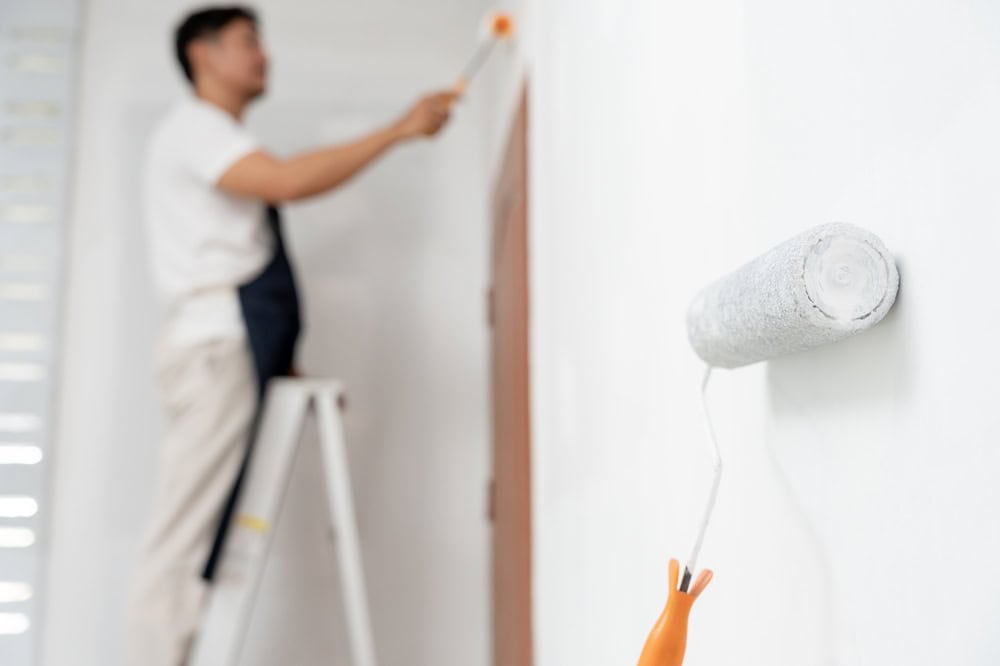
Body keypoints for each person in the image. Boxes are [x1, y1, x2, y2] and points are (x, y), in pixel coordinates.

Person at [126, 6, 457, 664]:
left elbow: (245, 249)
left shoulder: (211, 135)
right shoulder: (195, 130)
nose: (265, 56)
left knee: (197, 543)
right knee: (180, 547)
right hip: (217, 349)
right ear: (203, 53)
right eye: (250, 42)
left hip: (234, 349)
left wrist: (284, 368)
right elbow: (286, 182)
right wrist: (399, 131)